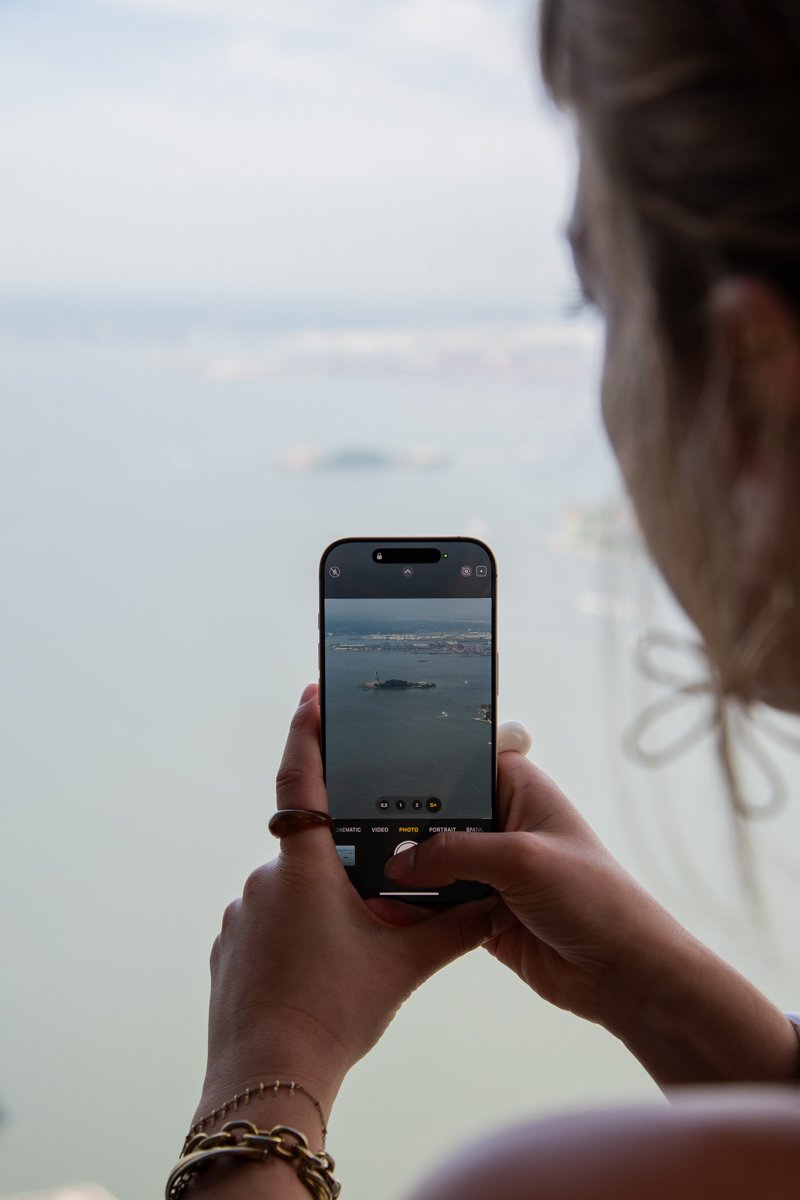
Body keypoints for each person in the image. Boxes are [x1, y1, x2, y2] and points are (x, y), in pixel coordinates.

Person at [166, 2, 800, 1197]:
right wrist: (648, 985)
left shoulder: (543, 1179)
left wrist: (268, 1063)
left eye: (596, 302)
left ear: (756, 373)